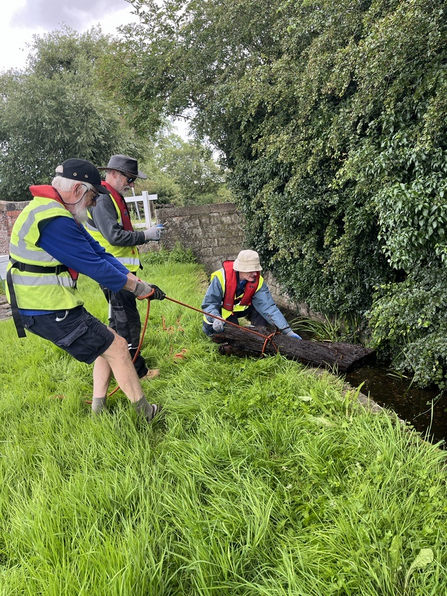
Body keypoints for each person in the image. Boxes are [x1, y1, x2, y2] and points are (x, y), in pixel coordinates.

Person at [6, 158, 166, 423]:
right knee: (116, 346)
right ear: (78, 190)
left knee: (109, 339)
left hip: (52, 303)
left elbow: (100, 253)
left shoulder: (60, 213)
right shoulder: (54, 220)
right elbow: (95, 268)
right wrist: (137, 288)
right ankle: (145, 414)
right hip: (44, 307)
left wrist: (139, 284)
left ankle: (99, 410)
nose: (94, 202)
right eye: (93, 195)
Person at [84, 154, 163, 381]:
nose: (132, 185)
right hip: (114, 273)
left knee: (118, 323)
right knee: (127, 323)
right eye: (129, 179)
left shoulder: (113, 196)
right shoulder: (102, 200)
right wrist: (145, 236)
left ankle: (114, 364)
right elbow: (114, 236)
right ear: (114, 174)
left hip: (118, 271)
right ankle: (137, 372)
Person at [202, 249, 302, 338]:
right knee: (231, 337)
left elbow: (268, 307)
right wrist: (216, 318)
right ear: (241, 269)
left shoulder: (258, 281)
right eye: (251, 270)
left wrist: (287, 331)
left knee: (262, 309)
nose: (255, 273)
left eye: (256, 269)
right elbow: (209, 304)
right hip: (221, 315)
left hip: (240, 310)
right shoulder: (220, 278)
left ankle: (258, 335)